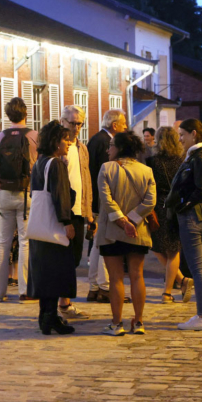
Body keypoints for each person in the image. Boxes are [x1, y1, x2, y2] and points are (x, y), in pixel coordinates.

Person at [96, 130, 156, 336]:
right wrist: (132, 220)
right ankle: (139, 322)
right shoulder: (146, 170)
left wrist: (122, 221)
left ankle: (116, 323)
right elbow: (150, 201)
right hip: (138, 231)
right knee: (137, 276)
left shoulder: (107, 168)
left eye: (111, 145)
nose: (108, 149)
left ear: (120, 148)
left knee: (115, 279)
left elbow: (106, 199)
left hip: (111, 231)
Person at [28, 121, 80, 335]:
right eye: (65, 140)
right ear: (55, 142)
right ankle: (50, 317)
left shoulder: (39, 163)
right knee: (56, 272)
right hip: (54, 226)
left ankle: (46, 316)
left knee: (45, 273)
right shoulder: (56, 164)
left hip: (40, 227)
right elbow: (61, 196)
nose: (68, 143)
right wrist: (67, 221)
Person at [168, 119, 202, 330]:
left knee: (198, 268)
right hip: (199, 215)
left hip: (193, 216)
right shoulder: (201, 155)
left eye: (182, 134)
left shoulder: (199, 157)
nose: (180, 139)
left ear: (194, 133)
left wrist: (183, 205)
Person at [0, 97, 38, 303]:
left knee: (3, 242)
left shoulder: (0, 137)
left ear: (8, 115)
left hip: (4, 193)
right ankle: (25, 290)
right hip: (27, 193)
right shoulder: (34, 136)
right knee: (25, 241)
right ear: (26, 113)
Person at [86, 108, 127, 302]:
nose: (125, 127)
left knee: (96, 244)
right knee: (105, 243)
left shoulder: (96, 139)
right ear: (115, 125)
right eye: (123, 124)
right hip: (102, 201)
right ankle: (105, 287)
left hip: (96, 199)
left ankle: (94, 286)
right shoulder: (106, 142)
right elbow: (107, 175)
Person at [57, 105, 93, 320]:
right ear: (62, 121)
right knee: (61, 258)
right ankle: (63, 303)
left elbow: (85, 179)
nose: (77, 127)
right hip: (62, 210)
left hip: (79, 209)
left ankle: (65, 301)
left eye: (80, 124)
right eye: (72, 123)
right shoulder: (56, 147)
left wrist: (89, 212)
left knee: (75, 258)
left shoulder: (81, 148)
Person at [147, 126, 190, 303]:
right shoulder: (182, 161)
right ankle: (180, 281)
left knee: (157, 246)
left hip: (157, 205)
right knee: (173, 249)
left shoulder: (152, 161)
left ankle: (169, 291)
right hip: (176, 205)